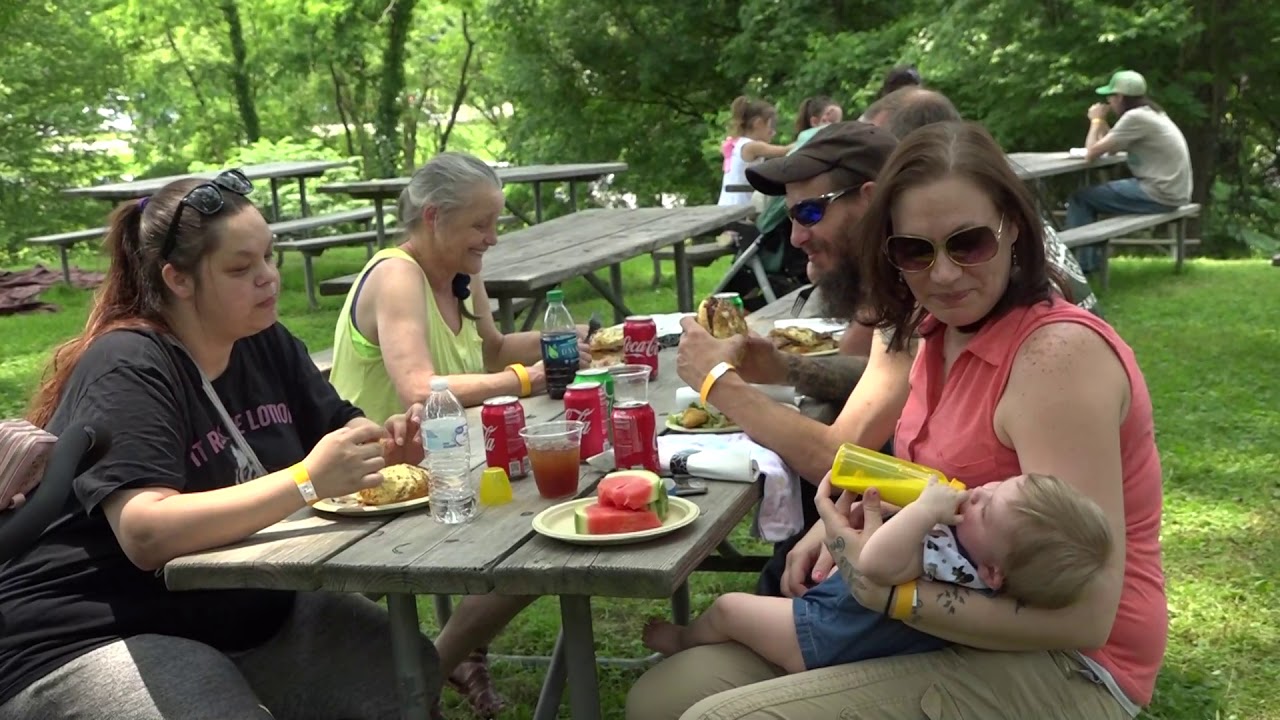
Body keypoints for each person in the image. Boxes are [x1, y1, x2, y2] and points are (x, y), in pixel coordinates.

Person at [631, 120, 1165, 719]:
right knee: (662, 698)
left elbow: (1086, 615)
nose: (941, 273)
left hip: (1067, 664)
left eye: (969, 243)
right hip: (933, 619)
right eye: (915, 250)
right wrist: (834, 529)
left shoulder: (1055, 360)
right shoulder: (927, 329)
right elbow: (932, 479)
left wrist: (885, 589)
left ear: (1012, 227)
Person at [0, 171, 439, 720]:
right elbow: (145, 531)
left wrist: (385, 445)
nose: (268, 279)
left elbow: (340, 432)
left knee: (399, 670)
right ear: (178, 280)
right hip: (87, 632)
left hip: (234, 609)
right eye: (240, 268)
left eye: (270, 257)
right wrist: (307, 479)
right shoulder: (130, 365)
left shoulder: (265, 339)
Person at [328, 151, 590, 718]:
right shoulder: (398, 274)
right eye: (480, 224)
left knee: (551, 530)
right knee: (544, 540)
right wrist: (524, 379)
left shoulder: (461, 275)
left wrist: (575, 336)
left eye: (496, 222)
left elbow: (491, 350)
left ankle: (436, 668)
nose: (492, 238)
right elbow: (420, 389)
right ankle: (431, 671)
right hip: (378, 482)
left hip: (452, 463)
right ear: (432, 217)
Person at [641, 473, 1111, 674]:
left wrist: (925, 508)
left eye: (988, 508)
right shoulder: (974, 556)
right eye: (994, 488)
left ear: (992, 571)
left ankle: (685, 640)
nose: (979, 493)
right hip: (835, 622)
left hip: (825, 639)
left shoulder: (954, 567)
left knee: (729, 610)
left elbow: (878, 562)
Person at [1068, 70, 1192, 273]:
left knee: (1081, 199)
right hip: (1173, 192)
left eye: (1111, 96)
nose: (1109, 101)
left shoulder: (1135, 118)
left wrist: (1096, 121)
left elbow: (1091, 153)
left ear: (1120, 97)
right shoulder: (1152, 113)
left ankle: (1081, 267)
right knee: (1089, 198)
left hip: (1159, 193)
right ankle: (1089, 262)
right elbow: (1111, 145)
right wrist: (1103, 125)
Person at [719, 96, 791, 206]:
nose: (773, 132)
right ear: (758, 124)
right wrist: (807, 139)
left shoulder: (738, 143)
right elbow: (784, 151)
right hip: (738, 206)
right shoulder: (751, 146)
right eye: (771, 125)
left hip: (729, 203)